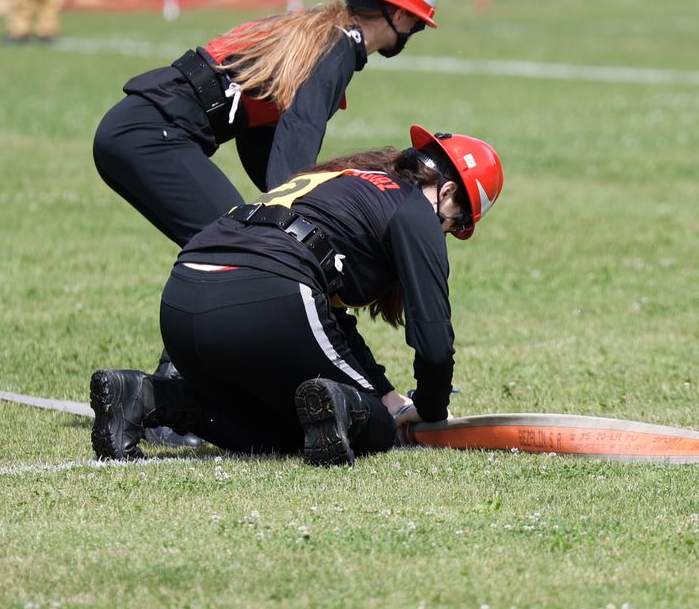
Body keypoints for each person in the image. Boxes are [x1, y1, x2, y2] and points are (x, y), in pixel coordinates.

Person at [89, 126, 504, 466]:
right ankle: (343, 404)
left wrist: (385, 391)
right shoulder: (414, 210)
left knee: (283, 430)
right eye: (458, 223)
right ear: (448, 193)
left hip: (183, 293)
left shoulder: (340, 179)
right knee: (377, 427)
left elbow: (331, 319)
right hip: (268, 294)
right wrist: (430, 412)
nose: (448, 232)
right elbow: (433, 344)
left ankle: (145, 396)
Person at [91, 0, 442, 248]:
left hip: (132, 131)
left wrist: (292, 201)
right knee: (246, 249)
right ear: (399, 14)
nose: (414, 30)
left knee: (244, 246)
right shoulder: (338, 45)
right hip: (154, 137)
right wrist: (301, 215)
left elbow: (261, 139)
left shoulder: (318, 31)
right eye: (418, 23)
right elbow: (301, 126)